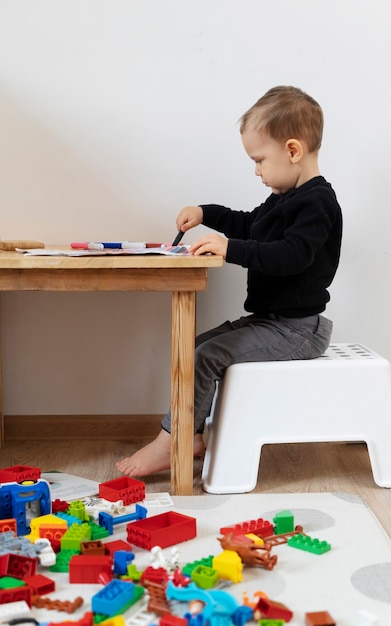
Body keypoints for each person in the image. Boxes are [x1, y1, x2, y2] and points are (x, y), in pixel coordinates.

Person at [116, 85, 343, 478]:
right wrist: (205, 213)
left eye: (259, 160)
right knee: (197, 346)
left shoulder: (317, 203)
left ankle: (174, 443)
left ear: (293, 151)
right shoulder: (282, 199)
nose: (256, 170)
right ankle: (195, 435)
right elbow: (248, 224)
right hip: (271, 321)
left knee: (206, 357)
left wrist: (230, 248)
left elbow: (292, 256)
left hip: (298, 330)